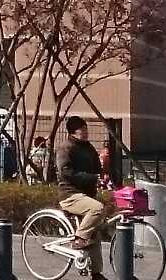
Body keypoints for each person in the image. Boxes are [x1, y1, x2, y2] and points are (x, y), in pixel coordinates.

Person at [55, 116, 111, 277]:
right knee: (97, 209)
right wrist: (92, 178)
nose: (86, 132)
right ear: (73, 132)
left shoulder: (88, 148)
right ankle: (79, 238)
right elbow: (67, 173)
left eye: (86, 129)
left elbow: (97, 168)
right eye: (83, 129)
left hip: (86, 196)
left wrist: (104, 177)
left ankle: (97, 273)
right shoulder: (65, 148)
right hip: (70, 195)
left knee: (95, 232)